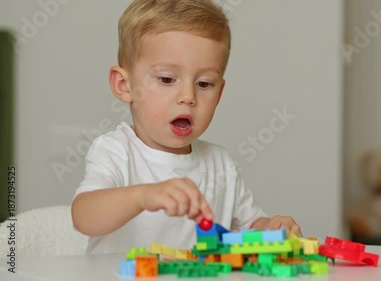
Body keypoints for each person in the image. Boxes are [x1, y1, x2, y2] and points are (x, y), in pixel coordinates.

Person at [71, 0, 301, 255]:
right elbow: (84, 217)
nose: (188, 96)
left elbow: (249, 227)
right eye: (167, 79)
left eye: (204, 84)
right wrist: (143, 197)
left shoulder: (220, 163)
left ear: (220, 92)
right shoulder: (116, 151)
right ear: (124, 86)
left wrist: (273, 229)